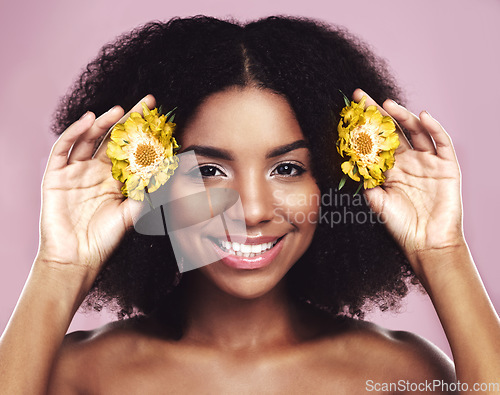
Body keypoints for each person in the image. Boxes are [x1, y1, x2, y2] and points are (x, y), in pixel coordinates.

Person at [1, 15, 499, 394]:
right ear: (151, 180)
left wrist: (443, 251)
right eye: (209, 170)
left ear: (330, 179)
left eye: (287, 168)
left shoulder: (402, 374)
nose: (254, 209)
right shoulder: (71, 374)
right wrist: (60, 265)